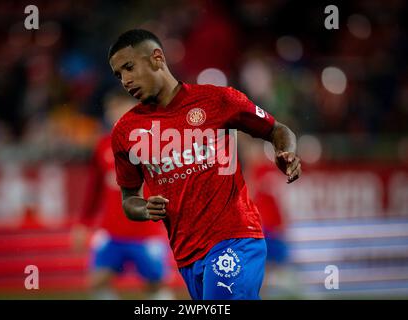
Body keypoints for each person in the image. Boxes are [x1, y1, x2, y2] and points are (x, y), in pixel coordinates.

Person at [108, 29, 302, 300]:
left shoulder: (217, 100)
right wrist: (144, 208)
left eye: (129, 67)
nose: (126, 80)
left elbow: (277, 130)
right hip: (187, 254)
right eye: (119, 75)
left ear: (156, 58)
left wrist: (287, 152)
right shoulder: (125, 132)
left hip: (236, 236)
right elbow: (129, 198)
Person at [71, 92, 173, 300]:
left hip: (147, 232)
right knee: (97, 282)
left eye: (120, 107)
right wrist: (83, 223)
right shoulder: (102, 146)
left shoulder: (157, 143)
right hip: (112, 231)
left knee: (155, 285)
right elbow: (94, 190)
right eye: (111, 109)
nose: (115, 113)